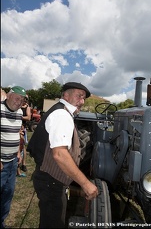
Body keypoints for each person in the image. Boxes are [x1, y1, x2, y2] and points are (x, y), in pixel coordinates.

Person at [31, 82, 99, 228]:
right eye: (79, 96)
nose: (82, 101)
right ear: (66, 95)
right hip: (51, 182)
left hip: (51, 180)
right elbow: (60, 154)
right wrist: (85, 184)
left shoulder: (62, 112)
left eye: (84, 99)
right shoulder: (62, 115)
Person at [1, 85, 27, 228]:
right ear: (9, 95)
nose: (19, 102)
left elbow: (17, 133)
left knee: (7, 195)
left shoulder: (18, 113)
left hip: (11, 162)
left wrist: (18, 153)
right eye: (17, 98)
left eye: (22, 100)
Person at [20, 95, 31, 172]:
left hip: (22, 128)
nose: (25, 100)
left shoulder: (27, 107)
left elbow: (28, 117)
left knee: (22, 146)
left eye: (26, 99)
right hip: (17, 127)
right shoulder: (18, 105)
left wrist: (20, 117)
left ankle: (23, 164)